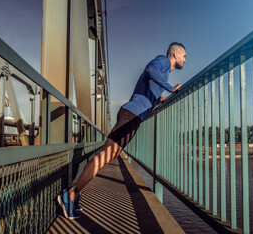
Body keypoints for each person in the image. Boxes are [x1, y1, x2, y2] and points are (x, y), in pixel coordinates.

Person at [57, 42, 186, 219]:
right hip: (131, 115)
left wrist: (158, 101)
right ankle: (70, 195)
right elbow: (150, 68)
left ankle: (75, 193)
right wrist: (170, 88)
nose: (185, 60)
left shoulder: (163, 74)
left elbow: (147, 89)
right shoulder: (163, 61)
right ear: (175, 55)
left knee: (108, 155)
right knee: (104, 157)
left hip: (133, 116)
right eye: (184, 56)